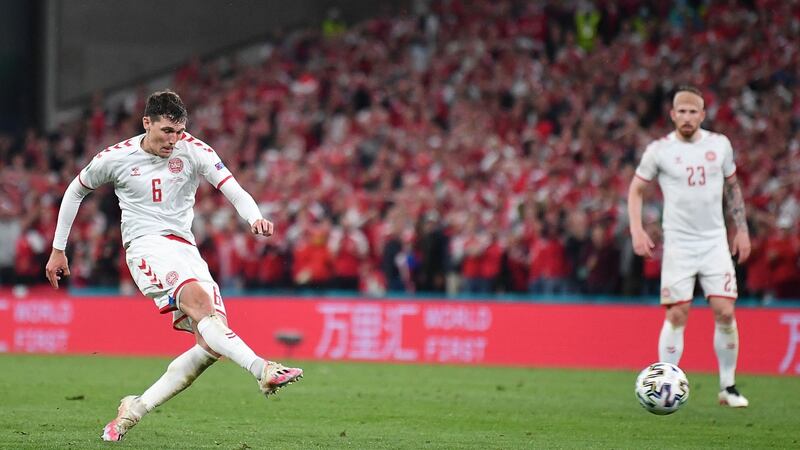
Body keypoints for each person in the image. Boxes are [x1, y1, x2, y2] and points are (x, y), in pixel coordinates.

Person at [44, 90, 303, 441]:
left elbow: (232, 188)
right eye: (167, 130)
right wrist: (59, 249)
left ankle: (134, 409)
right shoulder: (116, 157)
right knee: (199, 304)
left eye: (179, 131)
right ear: (146, 122)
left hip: (185, 250)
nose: (173, 139)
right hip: (145, 247)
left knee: (212, 343)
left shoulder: (193, 150)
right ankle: (263, 368)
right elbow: (76, 190)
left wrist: (254, 217)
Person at [627, 85, 751, 407]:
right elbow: (636, 191)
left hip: (713, 242)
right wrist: (637, 230)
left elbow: (732, 189)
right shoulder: (659, 150)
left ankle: (728, 386)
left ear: (702, 115)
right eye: (681, 111)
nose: (686, 117)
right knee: (678, 313)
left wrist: (742, 230)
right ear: (672, 115)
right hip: (679, 244)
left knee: (724, 311)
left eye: (692, 111)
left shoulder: (719, 145)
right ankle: (666, 383)